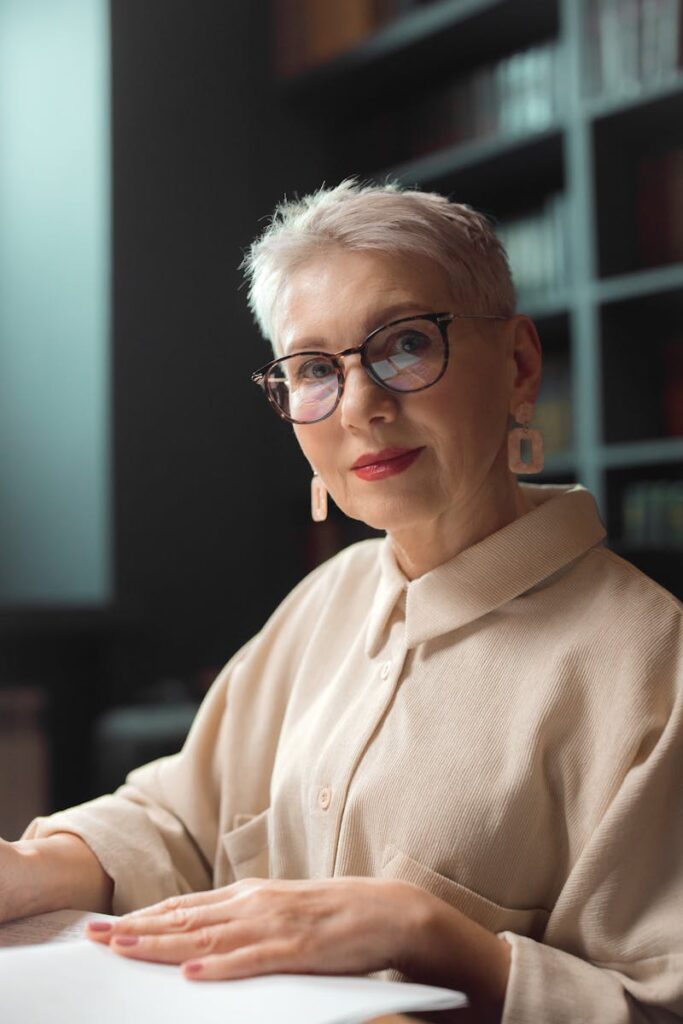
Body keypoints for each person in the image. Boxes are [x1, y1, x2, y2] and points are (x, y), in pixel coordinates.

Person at [2, 179, 681, 1023]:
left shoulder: (655, 668)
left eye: (403, 345)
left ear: (517, 365)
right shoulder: (327, 598)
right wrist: (30, 868)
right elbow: (181, 818)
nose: (361, 406)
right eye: (315, 370)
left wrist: (425, 932)